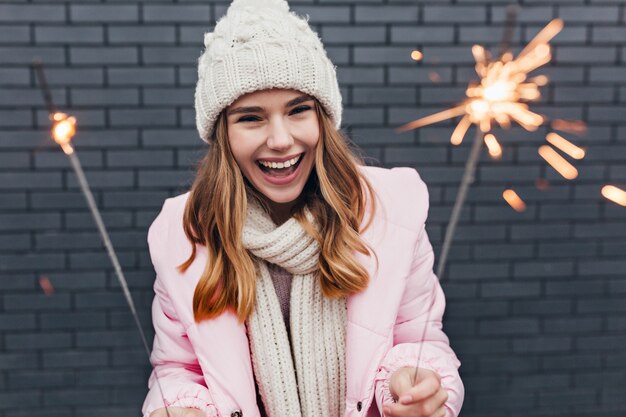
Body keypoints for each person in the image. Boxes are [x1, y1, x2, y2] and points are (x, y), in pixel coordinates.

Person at [142, 0, 464, 416]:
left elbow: (418, 337)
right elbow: (177, 368)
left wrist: (409, 384)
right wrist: (185, 409)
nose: (280, 139)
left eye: (298, 111)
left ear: (323, 119)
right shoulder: (186, 237)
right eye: (251, 118)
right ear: (222, 134)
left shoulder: (389, 216)